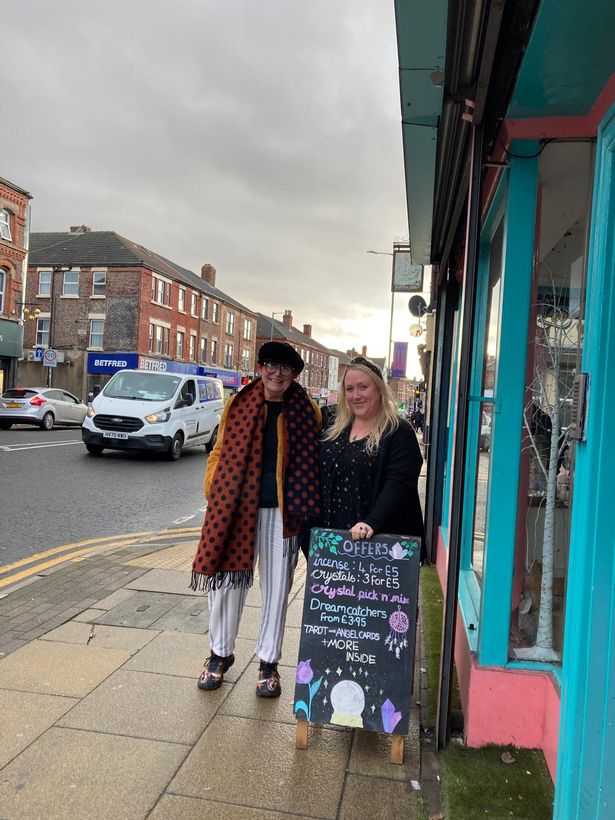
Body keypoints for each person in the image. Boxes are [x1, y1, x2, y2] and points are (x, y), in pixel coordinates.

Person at [191, 341, 321, 697]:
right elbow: (218, 450)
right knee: (226, 586)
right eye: (271, 366)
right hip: (237, 508)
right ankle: (219, 654)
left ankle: (268, 662)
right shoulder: (238, 403)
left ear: (295, 374)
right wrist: (215, 490)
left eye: (285, 368)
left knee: (277, 592)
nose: (277, 373)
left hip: (285, 512)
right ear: (261, 368)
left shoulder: (307, 410)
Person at [319, 356, 424, 558]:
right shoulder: (334, 428)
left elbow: (399, 483)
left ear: (378, 389)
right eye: (349, 389)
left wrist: (371, 522)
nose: (356, 395)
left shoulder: (398, 431)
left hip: (379, 544)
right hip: (335, 541)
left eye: (363, 387)